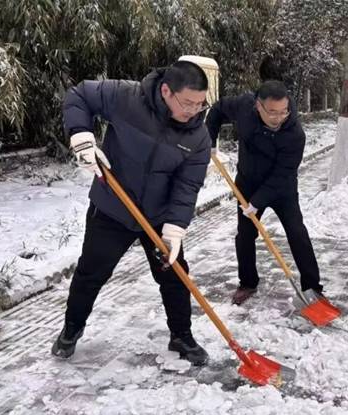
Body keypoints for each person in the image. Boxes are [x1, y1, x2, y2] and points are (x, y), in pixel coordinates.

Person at [52, 61, 212, 366]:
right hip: (113, 207)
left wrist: (175, 227)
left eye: (200, 104)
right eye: (187, 103)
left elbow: (187, 185)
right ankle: (71, 330)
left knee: (175, 276)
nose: (194, 111)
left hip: (158, 217)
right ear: (166, 91)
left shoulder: (198, 137)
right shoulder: (126, 97)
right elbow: (79, 95)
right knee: (91, 273)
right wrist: (81, 136)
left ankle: (181, 336)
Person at [206, 80, 323, 306]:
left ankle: (313, 287)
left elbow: (283, 173)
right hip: (248, 183)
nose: (278, 118)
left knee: (297, 232)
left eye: (283, 111)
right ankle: (247, 282)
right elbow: (218, 109)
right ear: (258, 105)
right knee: (245, 235)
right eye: (272, 112)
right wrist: (210, 140)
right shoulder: (244, 107)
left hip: (282, 188)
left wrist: (258, 202)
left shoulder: (295, 134)